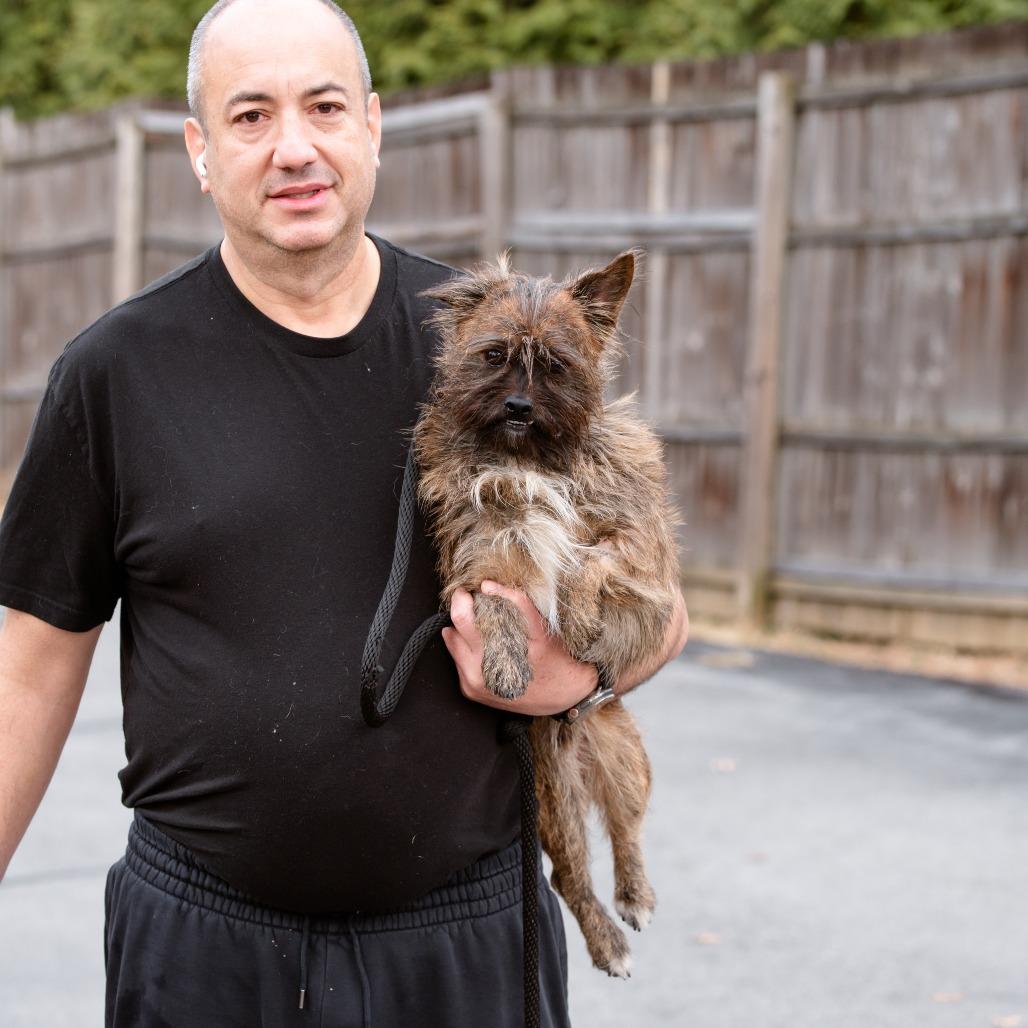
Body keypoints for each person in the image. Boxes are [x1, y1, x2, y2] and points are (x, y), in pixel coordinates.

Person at [0, 1, 689, 1025]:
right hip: (202, 949)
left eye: (323, 105)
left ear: (370, 123)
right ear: (197, 149)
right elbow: (28, 670)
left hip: (461, 945)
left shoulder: (497, 352)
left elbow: (664, 610)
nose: (293, 147)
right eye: (247, 116)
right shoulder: (115, 373)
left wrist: (577, 673)